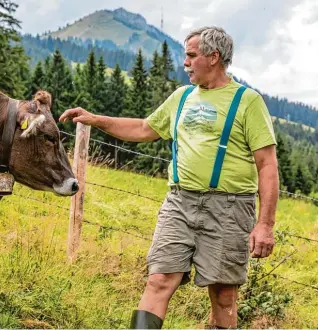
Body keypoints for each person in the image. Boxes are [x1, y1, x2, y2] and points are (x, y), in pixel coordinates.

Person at [59, 26, 279, 329]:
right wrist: (96, 120)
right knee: (159, 279)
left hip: (229, 208)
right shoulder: (182, 97)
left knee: (224, 294)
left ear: (214, 57)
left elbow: (267, 165)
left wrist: (265, 224)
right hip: (180, 202)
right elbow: (143, 129)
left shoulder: (247, 101)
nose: (185, 62)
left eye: (191, 55)